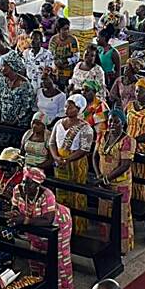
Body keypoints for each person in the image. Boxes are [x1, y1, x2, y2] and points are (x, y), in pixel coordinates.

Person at [9, 166, 74, 289]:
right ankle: (39, 284)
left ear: (37, 185)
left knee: (57, 256)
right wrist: (14, 215)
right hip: (35, 227)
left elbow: (48, 220)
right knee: (36, 253)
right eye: (24, 181)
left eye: (29, 183)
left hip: (59, 226)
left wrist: (25, 220)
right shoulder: (17, 190)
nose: (25, 186)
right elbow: (15, 206)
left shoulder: (47, 195)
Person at [49, 94, 95, 233]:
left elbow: (84, 149)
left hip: (76, 164)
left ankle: (77, 227)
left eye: (71, 106)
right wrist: (56, 157)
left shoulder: (86, 128)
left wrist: (68, 160)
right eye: (66, 105)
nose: (67, 108)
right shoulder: (58, 123)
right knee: (61, 192)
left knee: (75, 194)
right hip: (60, 162)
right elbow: (51, 142)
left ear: (79, 109)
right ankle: (62, 225)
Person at [94, 108, 135, 255]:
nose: (112, 124)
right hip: (104, 182)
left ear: (122, 123)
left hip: (120, 184)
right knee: (104, 212)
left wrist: (106, 179)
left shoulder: (128, 141)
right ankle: (106, 243)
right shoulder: (102, 136)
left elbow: (125, 165)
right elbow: (95, 157)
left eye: (116, 121)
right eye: (110, 120)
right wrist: (99, 176)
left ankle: (122, 247)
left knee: (121, 214)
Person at [0, 51, 36, 127]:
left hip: (19, 126)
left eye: (5, 65)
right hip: (4, 123)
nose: (1, 68)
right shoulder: (2, 80)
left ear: (12, 66)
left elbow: (27, 107)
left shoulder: (25, 84)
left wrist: (14, 122)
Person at [49, 17, 80, 89]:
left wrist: (66, 61)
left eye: (68, 28)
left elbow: (76, 57)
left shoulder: (72, 40)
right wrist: (55, 63)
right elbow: (50, 55)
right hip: (56, 72)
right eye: (64, 29)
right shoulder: (53, 39)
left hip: (69, 72)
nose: (67, 31)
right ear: (58, 30)